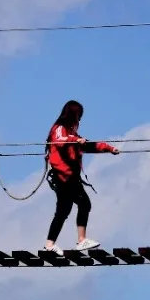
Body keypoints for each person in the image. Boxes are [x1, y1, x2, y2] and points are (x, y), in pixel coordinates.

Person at [43, 100, 119, 254]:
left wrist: (109, 148)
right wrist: (75, 140)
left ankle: (50, 245)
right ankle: (81, 240)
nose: (79, 121)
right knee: (83, 204)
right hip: (64, 177)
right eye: (79, 117)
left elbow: (88, 146)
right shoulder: (59, 129)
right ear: (73, 115)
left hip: (68, 178)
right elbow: (59, 141)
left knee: (64, 211)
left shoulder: (72, 134)